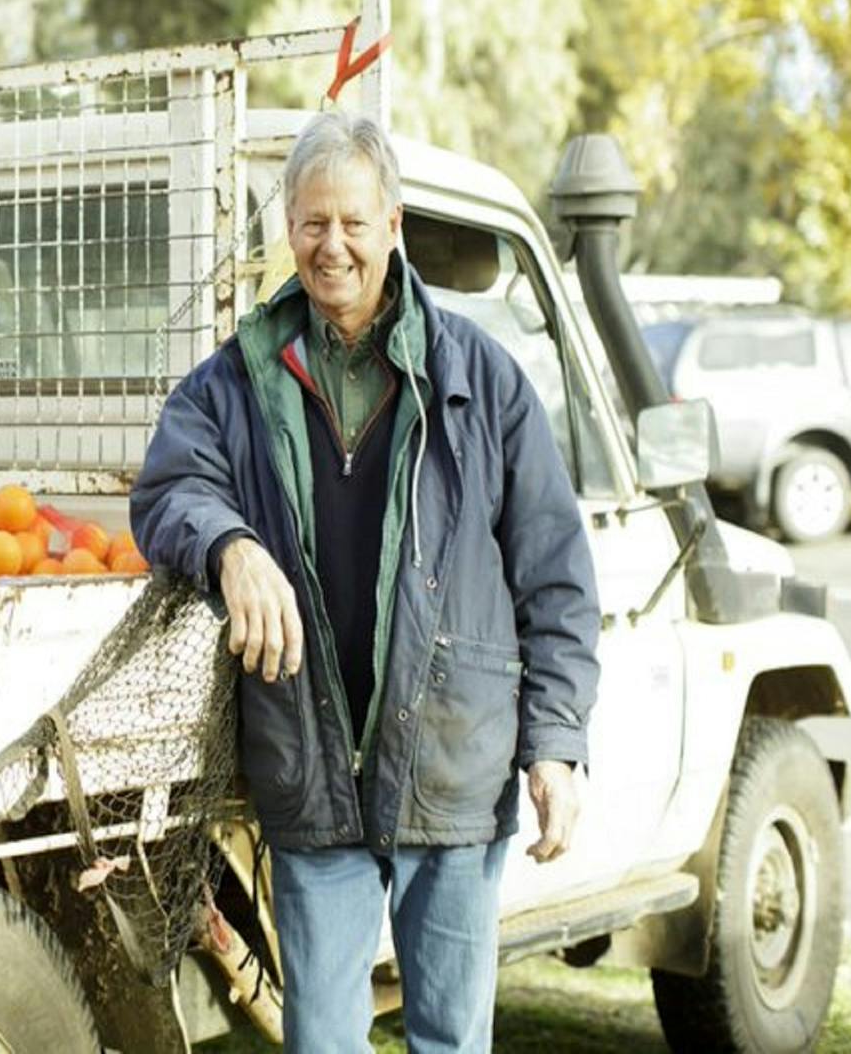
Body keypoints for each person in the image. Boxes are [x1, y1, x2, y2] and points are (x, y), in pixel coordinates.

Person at [130, 112, 601, 1054]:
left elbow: (555, 577)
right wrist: (230, 544)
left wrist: (556, 742)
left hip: (451, 769)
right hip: (309, 767)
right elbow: (169, 487)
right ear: (288, 230)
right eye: (311, 223)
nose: (330, 246)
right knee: (322, 1042)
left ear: (393, 224)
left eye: (352, 222)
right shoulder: (237, 378)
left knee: (448, 1039)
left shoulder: (483, 380)